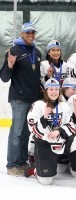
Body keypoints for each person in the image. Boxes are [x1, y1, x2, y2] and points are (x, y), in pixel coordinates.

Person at [24, 78, 76, 186]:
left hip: (62, 142)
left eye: (56, 89)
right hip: (45, 146)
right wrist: (44, 117)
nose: (54, 92)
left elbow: (71, 126)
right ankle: (34, 170)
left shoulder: (64, 106)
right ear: (46, 91)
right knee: (46, 181)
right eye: (51, 89)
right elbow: (33, 129)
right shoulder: (38, 105)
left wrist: (59, 131)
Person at [0, 22, 42, 176]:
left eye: (33, 32)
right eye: (27, 32)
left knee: (25, 132)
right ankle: (12, 164)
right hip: (19, 98)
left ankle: (22, 162)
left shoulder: (37, 52)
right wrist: (10, 65)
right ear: (22, 34)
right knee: (16, 132)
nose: (31, 35)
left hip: (33, 99)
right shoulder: (13, 51)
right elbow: (4, 77)